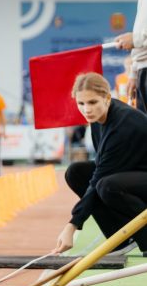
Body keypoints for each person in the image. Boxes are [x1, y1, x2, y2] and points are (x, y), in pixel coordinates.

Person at [53, 73, 147, 255]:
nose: (87, 109)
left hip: (141, 175)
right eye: (81, 103)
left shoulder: (122, 124)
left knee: (106, 185)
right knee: (76, 172)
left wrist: (72, 225)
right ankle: (120, 238)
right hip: (136, 173)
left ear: (107, 98)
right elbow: (100, 166)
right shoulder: (98, 118)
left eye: (93, 102)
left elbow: (100, 177)